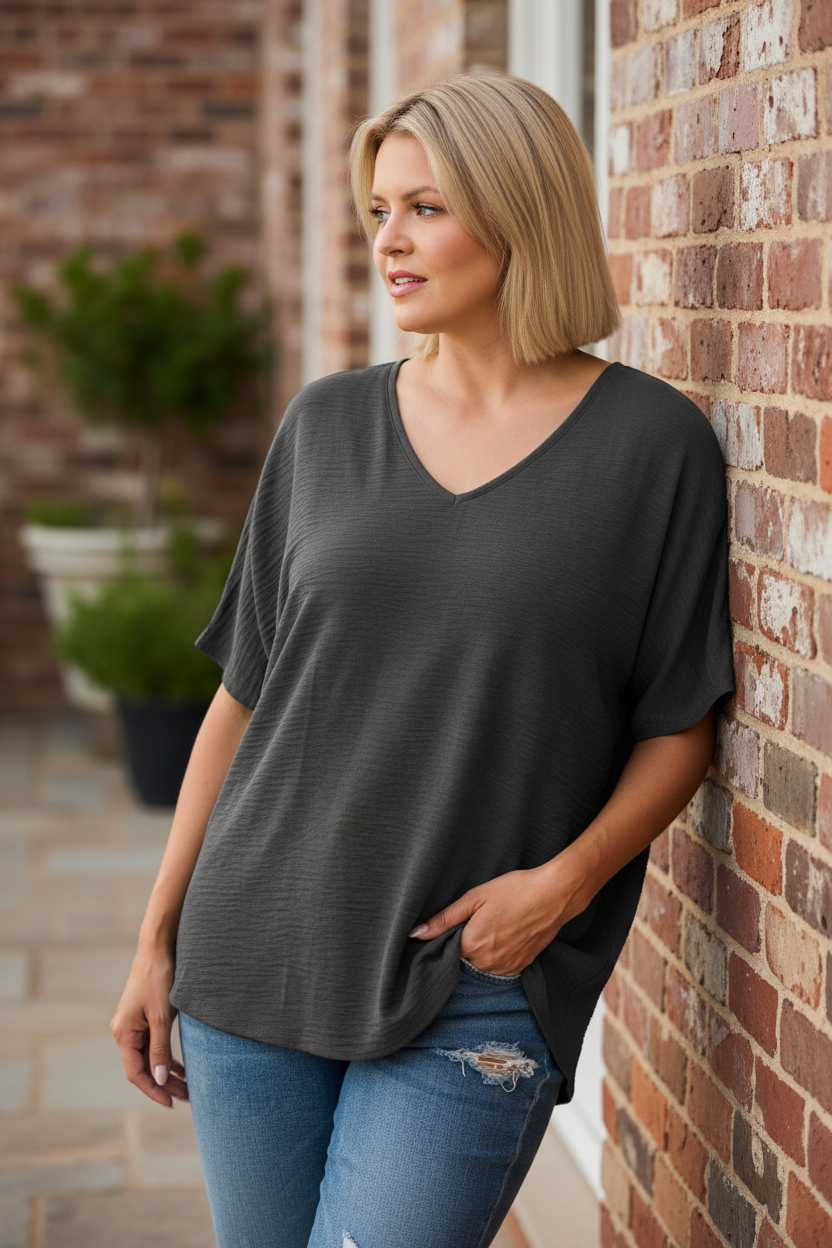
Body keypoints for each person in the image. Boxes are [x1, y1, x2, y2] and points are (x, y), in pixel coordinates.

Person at [111, 70, 735, 1248]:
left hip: (471, 976)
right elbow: (242, 701)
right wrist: (156, 940)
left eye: (425, 209)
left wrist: (561, 887)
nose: (388, 241)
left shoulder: (651, 447)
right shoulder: (325, 424)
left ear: (519, 214)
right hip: (256, 949)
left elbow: (678, 724)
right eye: (378, 211)